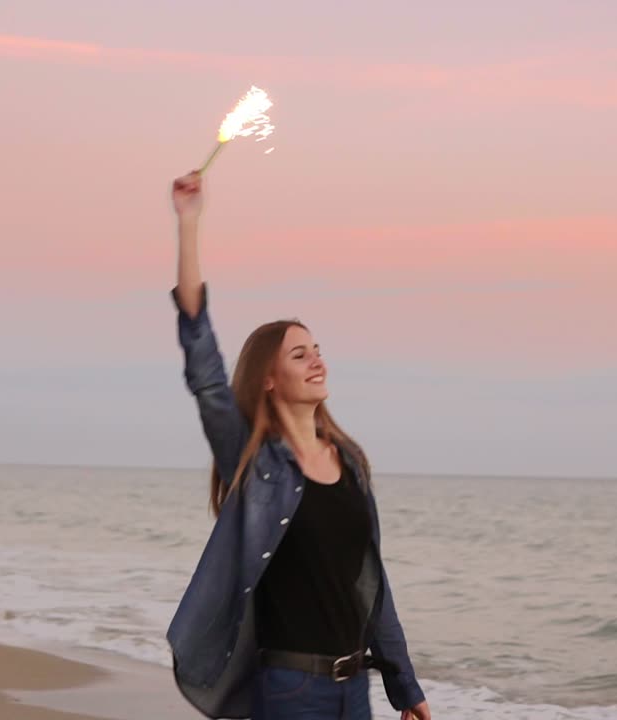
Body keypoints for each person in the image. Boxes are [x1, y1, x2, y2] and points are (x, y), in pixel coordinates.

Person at [165, 170, 433, 720]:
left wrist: (405, 687)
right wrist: (189, 224)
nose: (317, 360)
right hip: (289, 690)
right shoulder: (256, 462)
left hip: (353, 689)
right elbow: (204, 365)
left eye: (317, 349)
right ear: (267, 377)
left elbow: (372, 584)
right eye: (298, 354)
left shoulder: (351, 464)